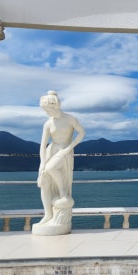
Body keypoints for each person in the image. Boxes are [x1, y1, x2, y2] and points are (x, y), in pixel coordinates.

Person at [36, 91, 85, 229]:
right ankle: (48, 214)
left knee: (50, 168)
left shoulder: (70, 119)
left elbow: (82, 133)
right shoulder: (48, 123)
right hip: (51, 151)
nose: (46, 112)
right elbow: (42, 146)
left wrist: (69, 148)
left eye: (47, 109)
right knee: (44, 180)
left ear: (55, 106)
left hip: (64, 151)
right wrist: (41, 164)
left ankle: (63, 193)